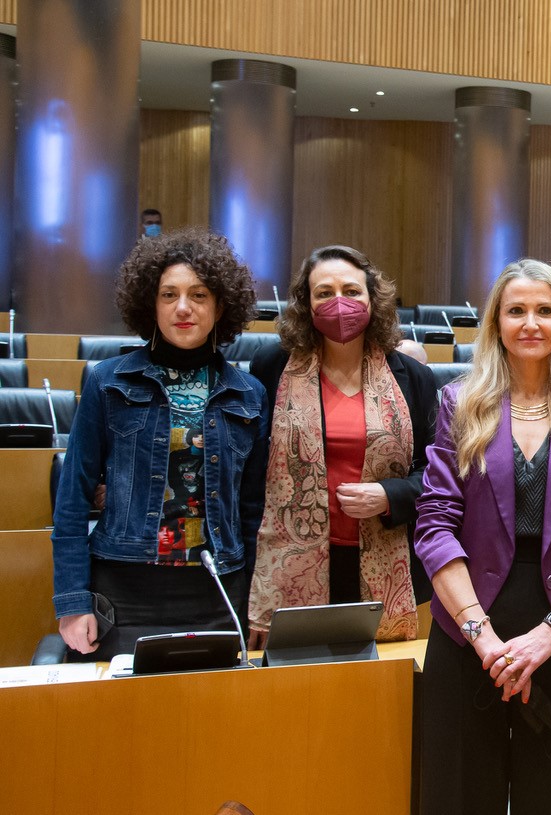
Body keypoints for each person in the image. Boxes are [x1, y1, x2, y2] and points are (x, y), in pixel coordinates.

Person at [414, 259, 551, 815]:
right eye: (516, 311)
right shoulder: (458, 404)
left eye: (545, 310)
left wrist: (550, 634)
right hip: (468, 629)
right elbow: (435, 525)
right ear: (496, 323)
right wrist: (483, 637)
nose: (530, 323)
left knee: (548, 799)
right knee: (460, 795)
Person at [52, 228, 267, 659]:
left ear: (221, 306)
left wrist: (257, 599)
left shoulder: (249, 393)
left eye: (199, 295)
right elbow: (73, 499)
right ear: (151, 304)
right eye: (169, 295)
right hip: (124, 588)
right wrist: (73, 602)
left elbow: (253, 510)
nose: (183, 308)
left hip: (218, 589)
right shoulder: (108, 382)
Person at [248, 245, 438, 644]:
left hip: (387, 554)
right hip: (291, 562)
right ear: (306, 304)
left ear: (373, 299)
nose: (339, 304)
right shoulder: (272, 367)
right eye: (324, 293)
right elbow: (253, 471)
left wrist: (390, 494)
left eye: (351, 291)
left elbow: (439, 474)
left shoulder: (413, 378)